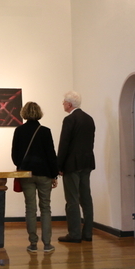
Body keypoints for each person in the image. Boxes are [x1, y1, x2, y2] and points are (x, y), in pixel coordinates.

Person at [12, 102, 59, 253]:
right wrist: (54, 175)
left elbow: (14, 155)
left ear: (24, 113)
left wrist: (23, 165)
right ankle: (47, 244)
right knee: (45, 208)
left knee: (30, 209)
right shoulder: (45, 131)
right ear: (39, 113)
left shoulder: (19, 131)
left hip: (26, 174)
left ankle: (33, 244)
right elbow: (51, 155)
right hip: (44, 174)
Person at [57, 91, 96, 243]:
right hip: (87, 163)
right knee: (86, 198)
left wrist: (59, 165)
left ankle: (74, 234)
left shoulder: (69, 119)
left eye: (64, 102)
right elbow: (90, 142)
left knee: (72, 200)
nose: (62, 104)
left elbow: (64, 144)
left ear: (69, 104)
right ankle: (87, 233)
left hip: (72, 165)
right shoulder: (89, 119)